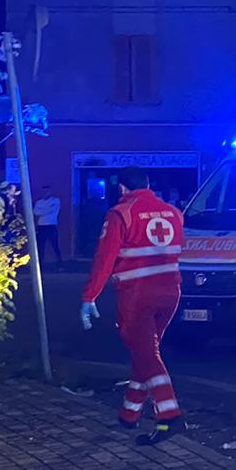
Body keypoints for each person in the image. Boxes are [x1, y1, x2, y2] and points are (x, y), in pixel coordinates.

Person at [81, 166, 186, 440]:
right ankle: (129, 415)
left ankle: (170, 415)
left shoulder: (120, 214)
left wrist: (89, 296)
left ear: (122, 189)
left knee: (147, 354)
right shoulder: (174, 213)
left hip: (138, 294)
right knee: (145, 352)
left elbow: (104, 260)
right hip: (171, 292)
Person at [33, 185, 63, 265]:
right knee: (41, 246)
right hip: (41, 226)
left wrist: (42, 210)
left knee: (55, 245)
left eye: (47, 191)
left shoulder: (56, 200)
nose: (45, 193)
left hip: (51, 225)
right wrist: (46, 209)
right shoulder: (39, 202)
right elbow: (36, 212)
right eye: (43, 192)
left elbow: (51, 210)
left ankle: (60, 263)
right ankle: (39, 264)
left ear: (50, 192)